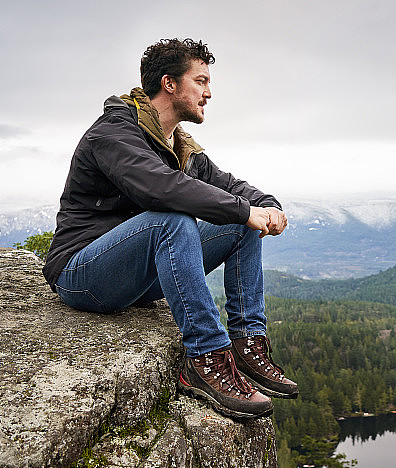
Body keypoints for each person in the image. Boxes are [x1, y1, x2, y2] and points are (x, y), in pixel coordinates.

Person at [42, 38, 298, 419]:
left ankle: (247, 345)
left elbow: (228, 186)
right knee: (173, 219)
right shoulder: (114, 132)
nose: (209, 93)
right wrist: (245, 210)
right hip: (82, 273)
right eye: (201, 81)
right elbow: (162, 189)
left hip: (134, 277)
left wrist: (267, 206)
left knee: (240, 226)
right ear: (169, 84)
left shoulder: (179, 145)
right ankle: (206, 358)